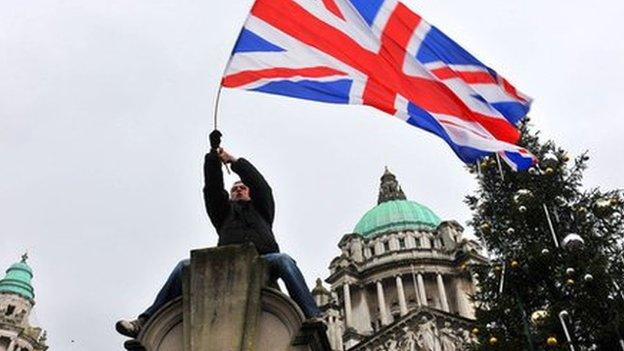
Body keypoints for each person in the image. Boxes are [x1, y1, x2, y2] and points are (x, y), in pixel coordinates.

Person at [115, 131, 321, 338]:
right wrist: (213, 155)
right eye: (235, 189)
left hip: (264, 259)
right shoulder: (224, 214)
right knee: (183, 267)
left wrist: (234, 161)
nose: (239, 190)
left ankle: (311, 315)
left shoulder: (262, 210)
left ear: (250, 193)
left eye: (242, 188)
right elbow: (212, 188)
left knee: (285, 260)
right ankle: (144, 321)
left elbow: (261, 186)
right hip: (226, 261)